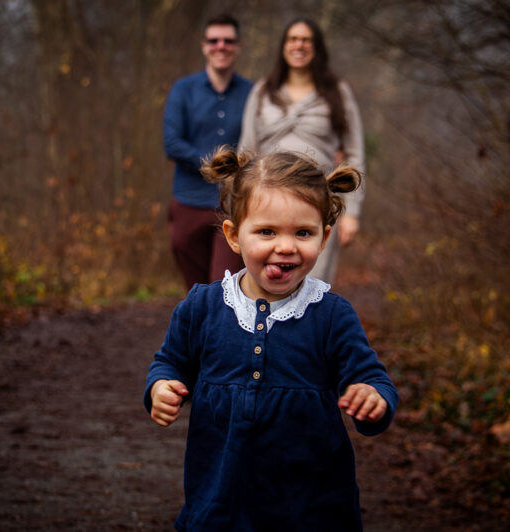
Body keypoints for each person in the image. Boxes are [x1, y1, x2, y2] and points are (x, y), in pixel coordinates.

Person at [144, 146, 398, 531]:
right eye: (266, 231)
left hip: (312, 509)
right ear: (233, 235)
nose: (286, 246)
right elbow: (169, 362)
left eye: (303, 232)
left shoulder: (331, 315)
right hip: (221, 503)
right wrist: (160, 387)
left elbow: (372, 378)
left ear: (324, 237)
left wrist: (373, 397)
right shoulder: (202, 308)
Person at [238, 17, 365, 284]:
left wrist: (352, 213)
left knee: (312, 284)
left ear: (317, 47)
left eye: (306, 40)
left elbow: (354, 155)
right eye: (293, 39)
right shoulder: (263, 91)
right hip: (265, 199)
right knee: (268, 279)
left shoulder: (336, 92)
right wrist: (237, 204)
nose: (299, 45)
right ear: (283, 46)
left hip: (317, 200)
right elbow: (246, 151)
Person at [163, 13, 254, 289]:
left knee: (224, 285)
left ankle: (222, 331)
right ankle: (198, 331)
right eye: (214, 40)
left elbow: (259, 141)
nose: (221, 46)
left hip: (233, 204)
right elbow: (173, 143)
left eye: (228, 40)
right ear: (204, 46)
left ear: (238, 46)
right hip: (188, 200)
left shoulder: (253, 93)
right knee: (196, 288)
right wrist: (216, 167)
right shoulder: (183, 90)